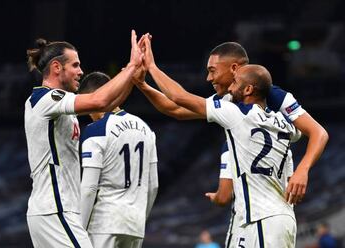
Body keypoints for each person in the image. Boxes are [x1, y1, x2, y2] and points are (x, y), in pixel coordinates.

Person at [135, 37, 328, 246]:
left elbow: (178, 98)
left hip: (265, 216)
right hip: (252, 216)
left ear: (236, 72)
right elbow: (174, 109)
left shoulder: (242, 108)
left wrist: (151, 67)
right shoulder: (283, 123)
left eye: (212, 70)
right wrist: (143, 85)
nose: (209, 78)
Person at [24, 30, 144, 247]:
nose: (81, 71)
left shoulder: (56, 102)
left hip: (53, 210)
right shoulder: (47, 98)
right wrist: (132, 66)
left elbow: (106, 104)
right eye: (75, 65)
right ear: (56, 67)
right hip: (55, 209)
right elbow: (99, 100)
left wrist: (132, 79)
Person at [79, 72, 158, 248]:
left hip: (104, 222)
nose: (88, 113)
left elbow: (89, 187)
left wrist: (79, 230)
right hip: (135, 224)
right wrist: (139, 217)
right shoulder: (146, 129)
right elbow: (153, 186)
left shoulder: (96, 130)